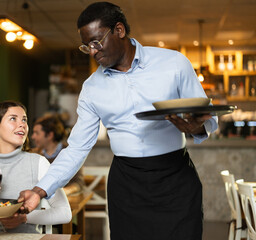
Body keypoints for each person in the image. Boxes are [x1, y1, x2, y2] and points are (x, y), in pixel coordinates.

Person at [18, 2, 219, 240]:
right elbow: (77, 148)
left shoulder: (174, 63)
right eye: (87, 47)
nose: (92, 51)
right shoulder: (92, 88)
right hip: (127, 185)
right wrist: (40, 190)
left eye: (96, 42)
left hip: (175, 179)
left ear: (119, 30)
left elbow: (206, 115)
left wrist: (197, 127)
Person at [0, 100, 71, 233]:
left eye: (24, 120)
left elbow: (65, 213)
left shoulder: (38, 163)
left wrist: (25, 217)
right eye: (13, 119)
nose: (22, 125)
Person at [31, 114, 84, 196]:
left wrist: (64, 192)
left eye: (36, 133)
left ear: (49, 135)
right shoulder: (34, 154)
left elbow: (78, 183)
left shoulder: (70, 152)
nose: (33, 137)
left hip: (67, 202)